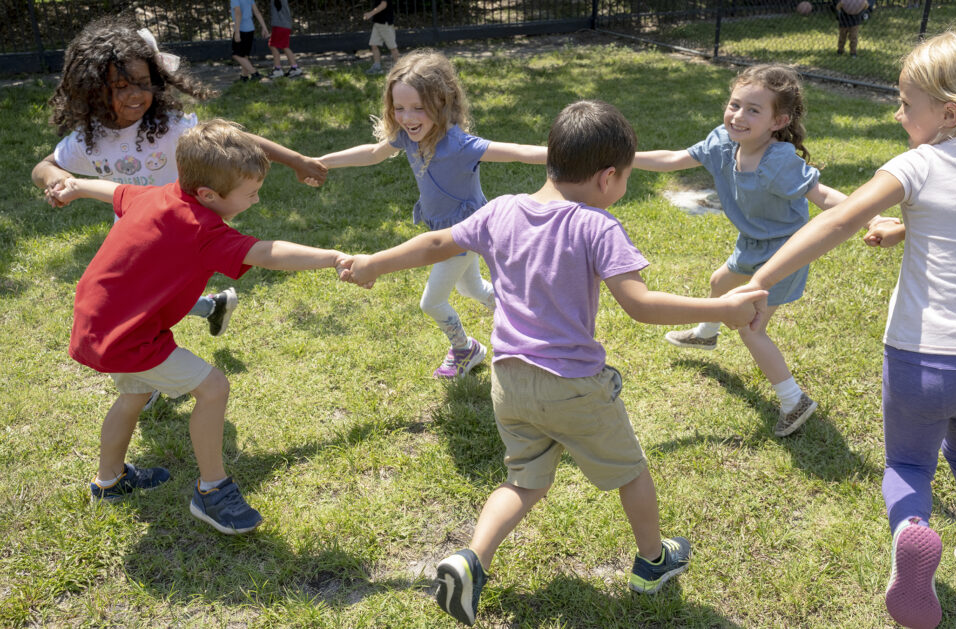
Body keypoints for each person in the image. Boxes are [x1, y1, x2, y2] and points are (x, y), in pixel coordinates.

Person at [339, 100, 767, 626]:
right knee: (630, 471)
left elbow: (435, 241)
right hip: (572, 386)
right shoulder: (598, 226)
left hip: (508, 380)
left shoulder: (502, 210)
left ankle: (470, 560)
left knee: (524, 482)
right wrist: (721, 309)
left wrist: (373, 263)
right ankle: (654, 561)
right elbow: (640, 304)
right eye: (626, 179)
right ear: (608, 178)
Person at [733, 26, 956, 629]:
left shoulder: (919, 163)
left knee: (909, 467)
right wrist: (904, 229)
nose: (897, 115)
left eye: (905, 104)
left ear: (947, 114)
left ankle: (913, 533)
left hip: (921, 358)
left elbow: (838, 220)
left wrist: (762, 277)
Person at [52, 119, 349, 535]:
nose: (257, 200)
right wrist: (332, 257)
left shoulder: (161, 195)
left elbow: (115, 192)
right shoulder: (205, 232)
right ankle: (212, 490)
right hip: (128, 335)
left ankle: (109, 482)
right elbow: (268, 252)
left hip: (101, 319)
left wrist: (77, 186)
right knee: (213, 388)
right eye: (250, 194)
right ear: (208, 195)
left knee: (135, 393)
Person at [30, 16, 327, 340]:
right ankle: (210, 311)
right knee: (142, 299)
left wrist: (296, 160)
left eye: (143, 83)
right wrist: (55, 180)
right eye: (120, 86)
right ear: (91, 89)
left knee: (139, 303)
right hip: (133, 236)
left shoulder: (168, 128)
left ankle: (148, 373)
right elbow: (44, 166)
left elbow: (234, 144)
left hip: (183, 233)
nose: (135, 94)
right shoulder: (89, 139)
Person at [632, 64, 847, 437]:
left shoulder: (779, 160)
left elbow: (823, 195)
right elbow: (673, 159)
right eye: (735, 105)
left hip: (785, 253)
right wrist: (625, 158)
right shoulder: (721, 142)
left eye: (753, 110)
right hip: (751, 244)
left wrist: (870, 215)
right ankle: (707, 333)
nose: (738, 116)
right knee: (720, 281)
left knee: (752, 329)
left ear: (777, 121)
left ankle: (795, 401)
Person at [319, 49, 547, 379]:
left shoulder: (460, 145)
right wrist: (322, 161)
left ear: (441, 103)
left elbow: (521, 153)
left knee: (431, 302)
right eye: (399, 108)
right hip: (443, 231)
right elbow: (371, 153)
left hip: (463, 234)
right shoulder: (406, 137)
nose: (407, 117)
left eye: (418, 108)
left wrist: (573, 153)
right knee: (472, 289)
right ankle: (532, 322)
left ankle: (466, 349)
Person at [231, 0, 269, 81]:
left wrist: (237, 32)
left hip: (242, 29)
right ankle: (244, 77)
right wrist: (264, 28)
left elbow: (238, 13)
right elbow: (257, 12)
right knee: (244, 55)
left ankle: (255, 74)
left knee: (236, 54)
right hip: (250, 29)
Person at [268, 0, 303, 78]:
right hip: (285, 25)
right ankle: (294, 68)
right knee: (285, 46)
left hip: (279, 25)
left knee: (272, 45)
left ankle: (277, 69)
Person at [363, 0, 399, 75]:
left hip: (385, 24)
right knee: (374, 45)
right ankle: (377, 67)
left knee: (392, 47)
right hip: (378, 24)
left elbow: (383, 4)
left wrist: (370, 14)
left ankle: (400, 68)